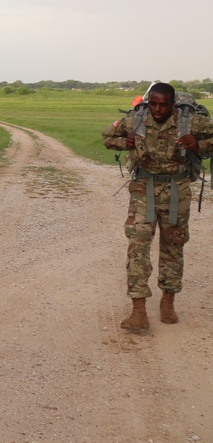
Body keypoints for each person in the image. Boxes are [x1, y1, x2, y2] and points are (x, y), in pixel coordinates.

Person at [102, 82, 213, 332]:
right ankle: (138, 310)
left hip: (177, 190)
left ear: (173, 103)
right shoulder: (136, 119)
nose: (158, 109)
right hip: (144, 188)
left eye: (164, 104)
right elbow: (107, 136)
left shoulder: (191, 121)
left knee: (173, 246)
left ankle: (168, 301)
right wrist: (126, 143)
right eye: (153, 103)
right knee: (137, 246)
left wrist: (198, 144)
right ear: (148, 102)